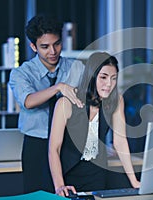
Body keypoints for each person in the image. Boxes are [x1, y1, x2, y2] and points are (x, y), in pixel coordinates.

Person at [8, 14, 84, 193]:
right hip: (37, 147)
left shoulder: (77, 68)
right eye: (45, 46)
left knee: (71, 194)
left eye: (57, 44)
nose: (53, 51)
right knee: (38, 196)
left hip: (69, 145)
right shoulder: (21, 73)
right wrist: (59, 88)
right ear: (33, 46)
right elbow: (28, 101)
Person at [48, 52, 141, 197]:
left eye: (113, 78)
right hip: (67, 174)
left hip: (97, 172)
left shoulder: (116, 101)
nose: (109, 84)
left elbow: (120, 142)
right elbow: (54, 148)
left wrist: (134, 181)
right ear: (92, 76)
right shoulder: (65, 103)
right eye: (103, 77)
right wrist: (59, 185)